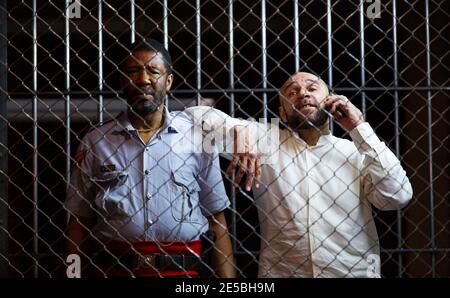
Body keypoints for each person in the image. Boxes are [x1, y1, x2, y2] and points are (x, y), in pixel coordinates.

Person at [185, 71, 413, 277]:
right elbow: (191, 117)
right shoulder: (266, 139)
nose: (303, 94)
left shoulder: (356, 150)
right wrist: (239, 130)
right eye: (292, 92)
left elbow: (397, 196)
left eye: (312, 88)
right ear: (282, 113)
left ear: (332, 101)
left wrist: (359, 127)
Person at [64, 38, 236, 278]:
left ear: (168, 82)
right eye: (133, 71)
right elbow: (79, 222)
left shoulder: (197, 138)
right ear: (124, 80)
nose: (143, 79)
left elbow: (217, 220)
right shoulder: (96, 142)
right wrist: (72, 276)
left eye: (153, 71)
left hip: (182, 274)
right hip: (115, 270)